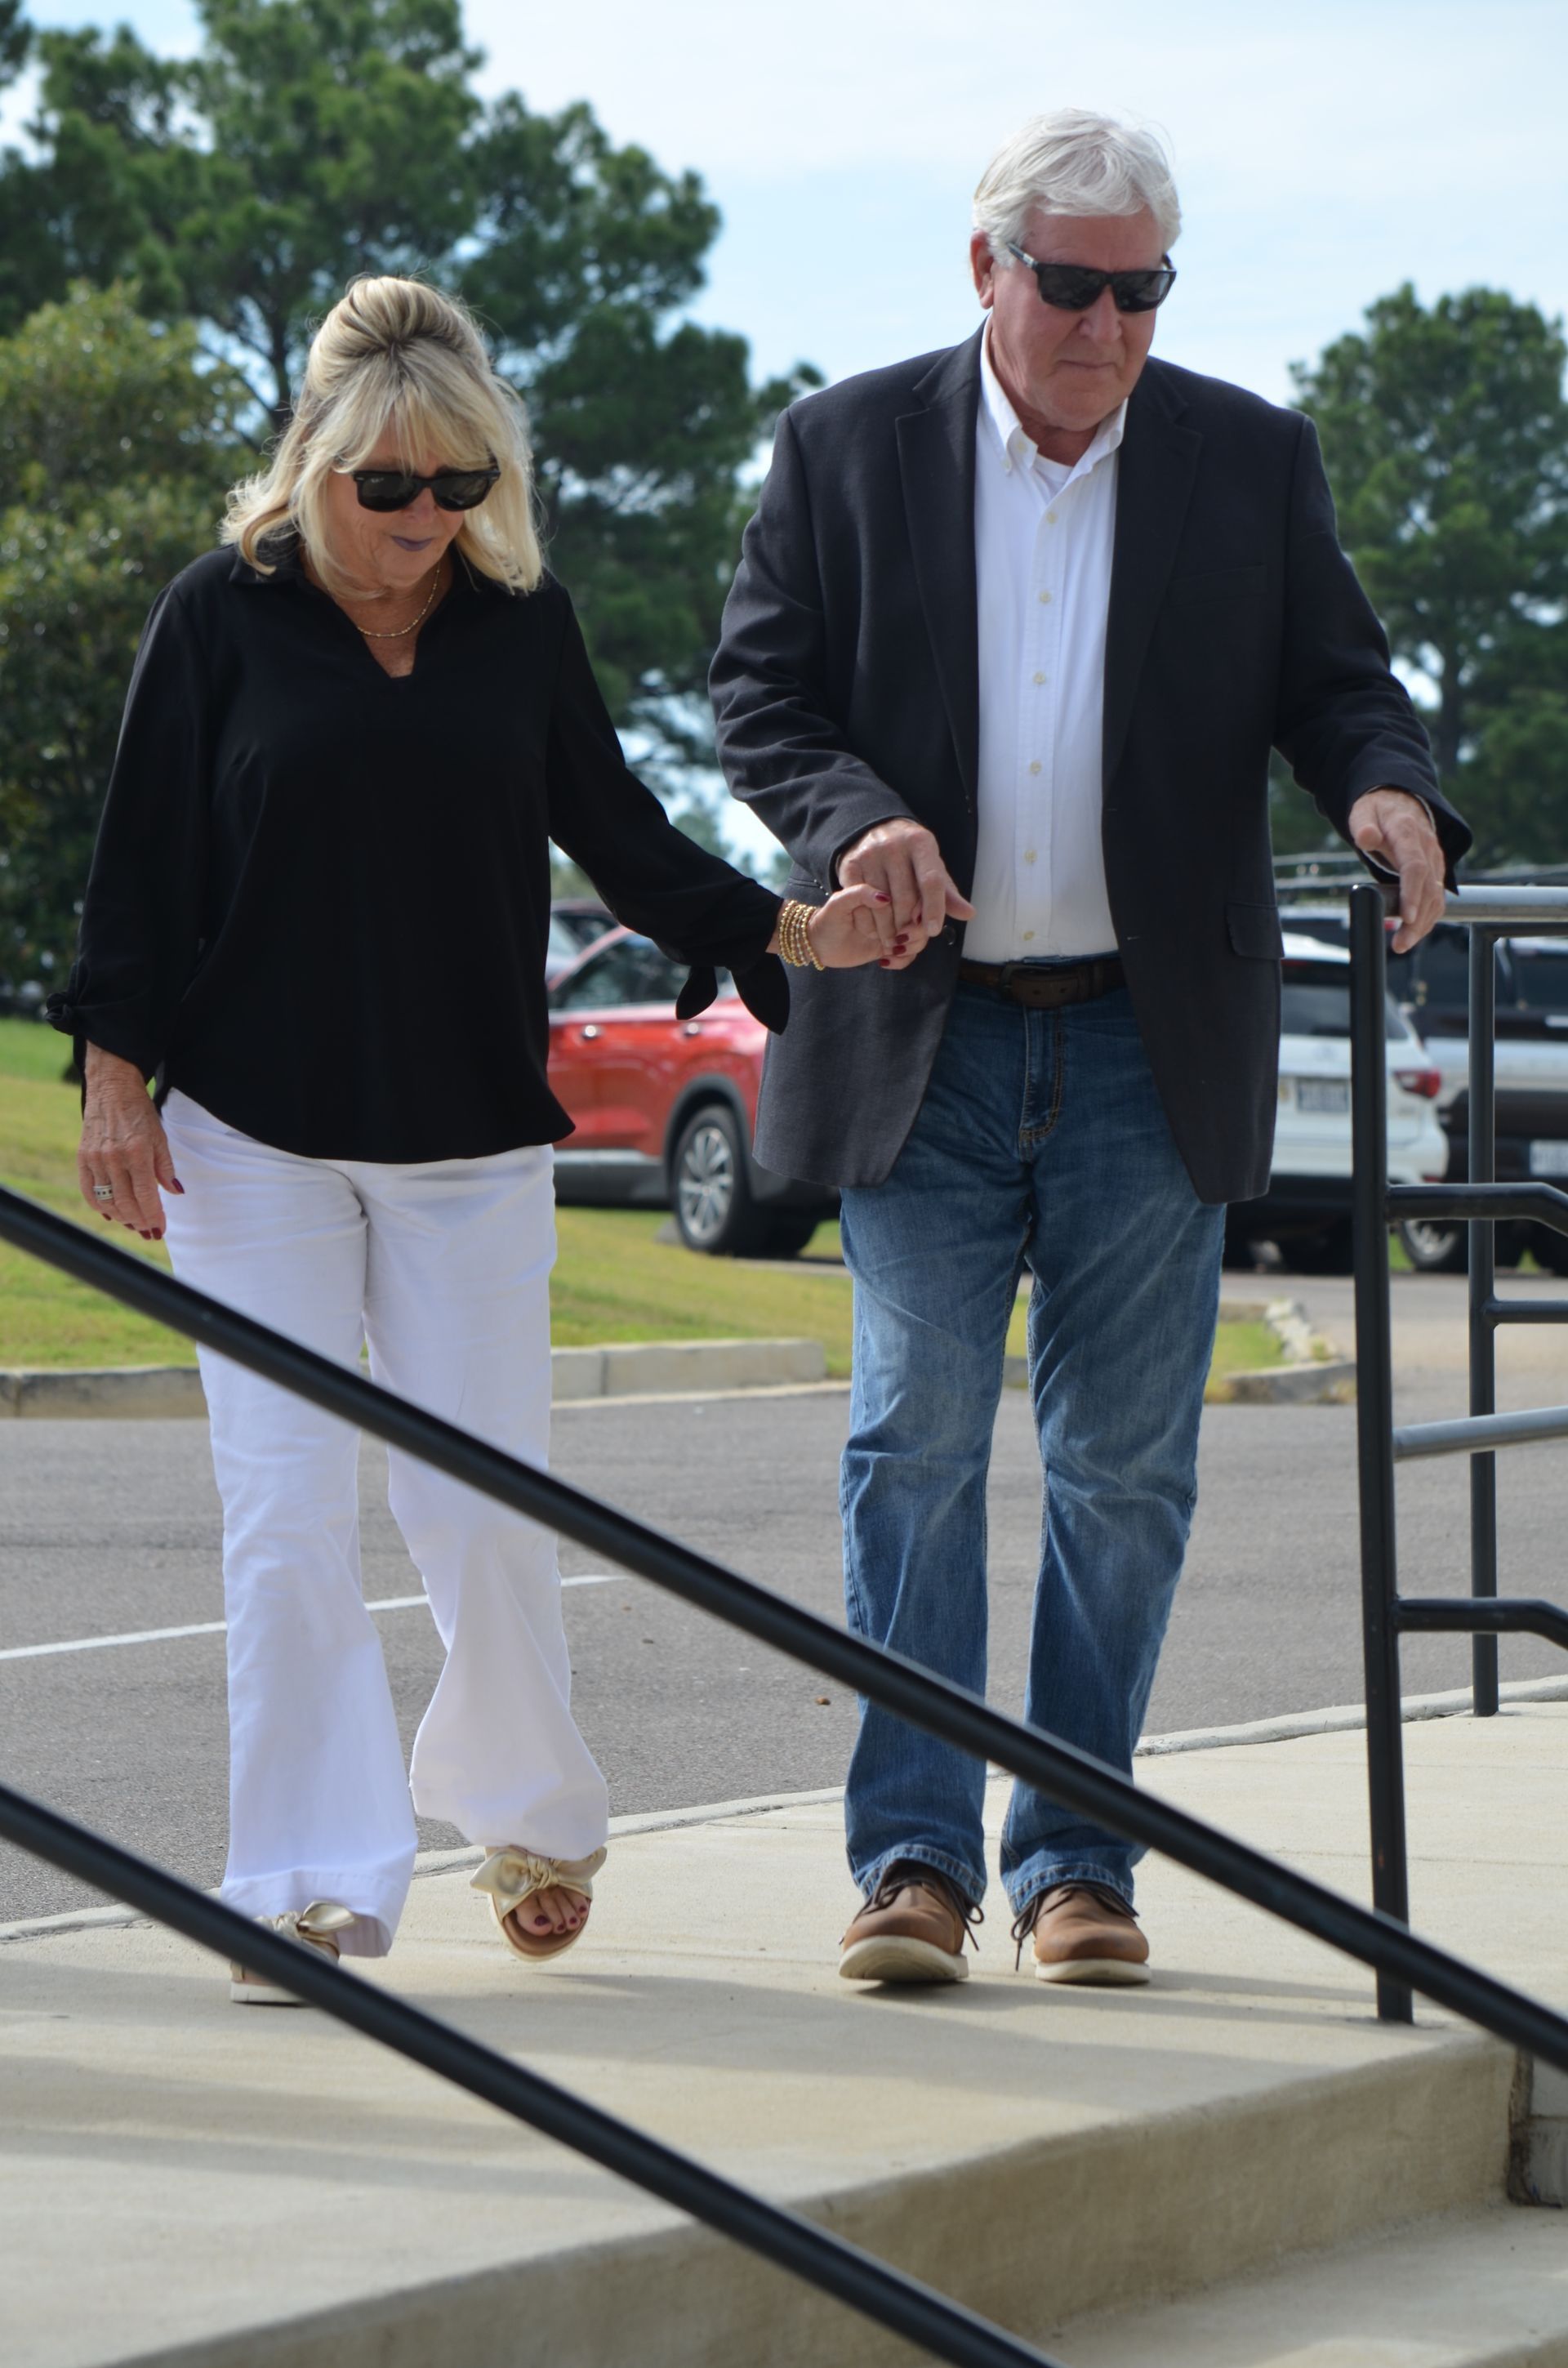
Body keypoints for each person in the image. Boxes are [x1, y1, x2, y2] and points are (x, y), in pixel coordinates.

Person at [48, 275, 896, 2000]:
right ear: (315, 466)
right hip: (252, 1137)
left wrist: (793, 931)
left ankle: (529, 1814)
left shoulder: (521, 620)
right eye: (390, 489)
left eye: (460, 488)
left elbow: (624, 829)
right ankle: (303, 1876)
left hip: (463, 1140)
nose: (426, 523)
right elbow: (138, 869)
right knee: (282, 1513)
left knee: (481, 1500)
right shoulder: (218, 615)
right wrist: (114, 1073)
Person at [710, 112, 1471, 1989]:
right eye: (1073, 284)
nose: (1108, 325)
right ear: (987, 271)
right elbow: (757, 693)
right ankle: (909, 1860)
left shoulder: (1248, 457)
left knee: (1128, 1472)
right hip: (922, 1038)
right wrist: (853, 817)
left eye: (1143, 291)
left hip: (1152, 1038)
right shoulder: (841, 445)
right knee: (912, 1443)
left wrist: (1390, 793)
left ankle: (1076, 1856)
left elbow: (1343, 687)